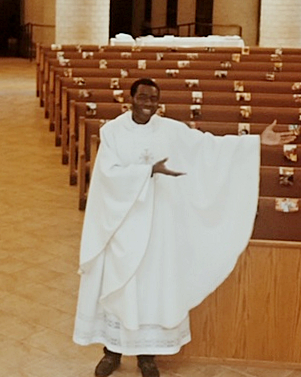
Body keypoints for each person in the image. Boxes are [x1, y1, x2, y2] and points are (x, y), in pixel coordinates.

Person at [73, 78, 297, 377]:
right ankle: (112, 352)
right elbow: (107, 175)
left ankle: (147, 356)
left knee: (152, 286)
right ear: (131, 98)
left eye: (154, 98)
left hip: (160, 224)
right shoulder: (112, 131)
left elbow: (209, 146)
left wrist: (256, 141)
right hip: (124, 224)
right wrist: (147, 170)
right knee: (121, 285)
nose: (149, 103)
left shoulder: (170, 130)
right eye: (143, 97)